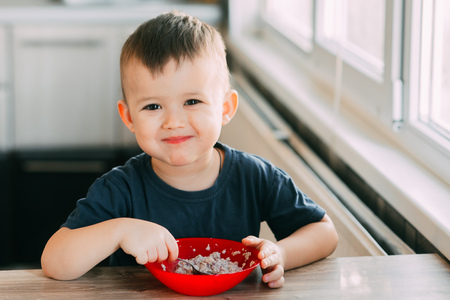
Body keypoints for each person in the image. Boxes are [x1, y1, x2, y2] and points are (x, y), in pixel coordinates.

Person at [41, 11, 338, 288]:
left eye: (192, 102)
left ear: (225, 108)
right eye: (153, 106)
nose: (173, 122)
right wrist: (119, 231)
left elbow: (324, 233)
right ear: (129, 117)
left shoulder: (256, 177)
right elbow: (54, 262)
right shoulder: (120, 189)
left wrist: (281, 253)